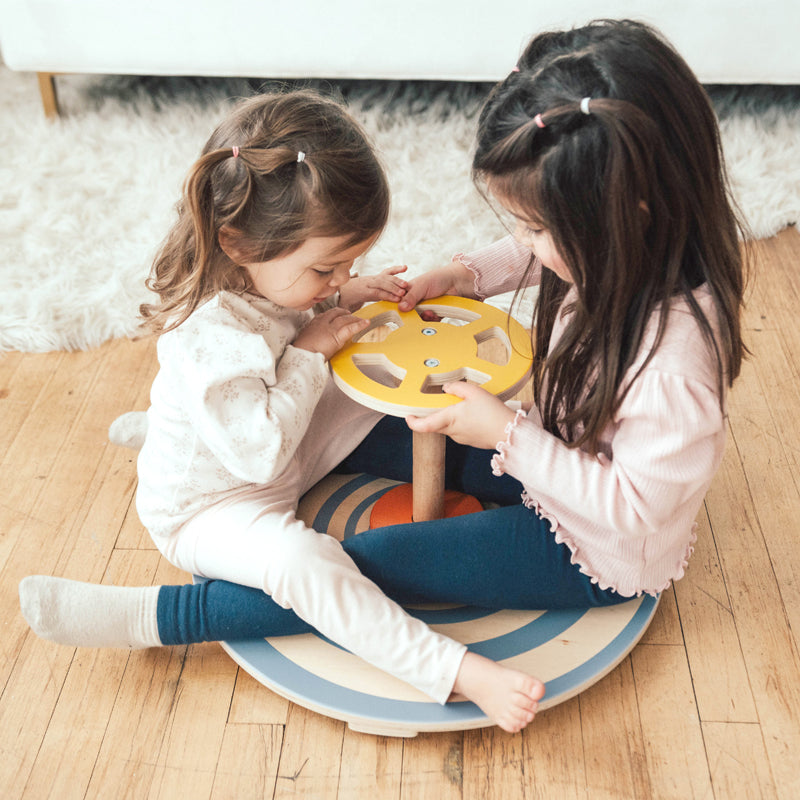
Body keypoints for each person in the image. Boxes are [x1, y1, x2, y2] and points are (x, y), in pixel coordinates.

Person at [22, 16, 747, 726]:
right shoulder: (621, 242)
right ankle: (177, 436)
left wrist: (506, 433)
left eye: (535, 228)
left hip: (592, 545)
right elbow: (528, 254)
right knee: (390, 396)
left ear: (624, 214)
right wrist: (461, 275)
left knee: (364, 564)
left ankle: (171, 615)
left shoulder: (674, 362)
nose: (524, 245)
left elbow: (631, 510)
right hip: (522, 454)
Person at [19, 89, 544, 734]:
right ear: (237, 241)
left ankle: (167, 423)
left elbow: (291, 315)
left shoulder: (264, 272)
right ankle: (453, 672)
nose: (337, 278)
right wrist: (307, 354)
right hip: (216, 501)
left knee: (383, 382)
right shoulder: (208, 337)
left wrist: (347, 295)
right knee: (305, 566)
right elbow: (262, 447)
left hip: (281, 444)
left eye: (346, 264)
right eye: (327, 266)